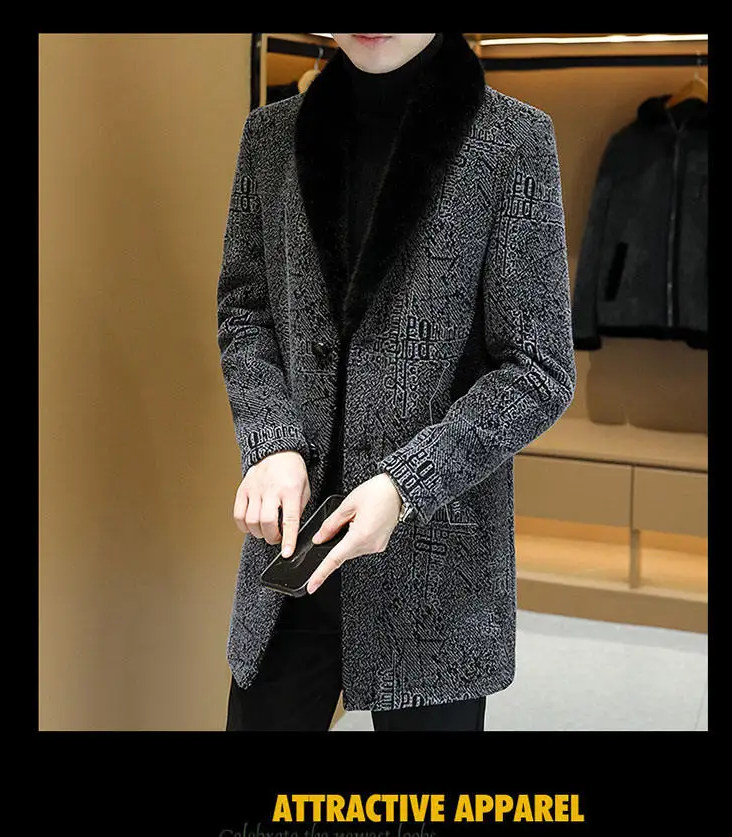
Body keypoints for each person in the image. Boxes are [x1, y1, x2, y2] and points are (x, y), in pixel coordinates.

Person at [217, 33, 576, 731]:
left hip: (436, 561)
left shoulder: (512, 141)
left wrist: (407, 483)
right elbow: (245, 308)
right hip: (292, 553)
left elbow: (538, 369)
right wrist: (271, 441)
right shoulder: (270, 136)